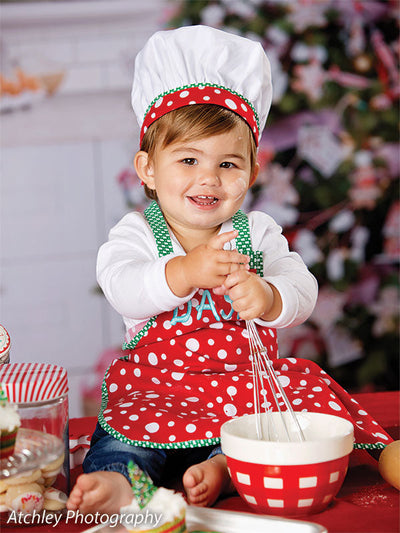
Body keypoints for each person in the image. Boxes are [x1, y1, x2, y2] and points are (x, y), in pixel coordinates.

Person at [67, 25, 392, 515]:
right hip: (162, 394)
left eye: (228, 164)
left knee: (308, 391)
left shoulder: (257, 231)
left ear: (253, 172)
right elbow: (123, 289)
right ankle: (120, 481)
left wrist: (269, 298)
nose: (208, 178)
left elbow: (301, 286)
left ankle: (238, 465)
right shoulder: (136, 234)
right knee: (126, 436)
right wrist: (181, 272)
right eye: (189, 159)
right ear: (148, 168)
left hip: (248, 389)